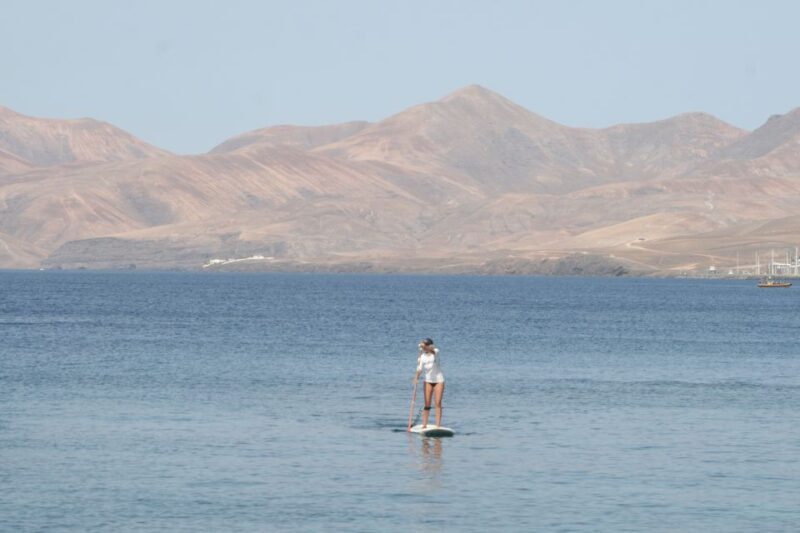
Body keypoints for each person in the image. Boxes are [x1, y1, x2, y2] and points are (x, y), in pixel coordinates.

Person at [413, 338, 445, 428]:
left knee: (438, 403)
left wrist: (425, 346)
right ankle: (424, 425)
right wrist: (416, 378)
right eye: (422, 345)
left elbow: (433, 349)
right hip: (428, 381)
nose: (423, 347)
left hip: (439, 380)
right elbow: (419, 369)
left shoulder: (436, 352)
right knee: (427, 403)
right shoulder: (422, 357)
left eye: (424, 345)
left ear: (428, 345)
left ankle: (438, 425)